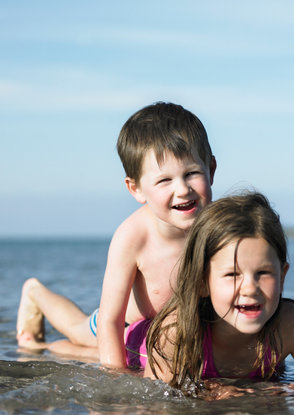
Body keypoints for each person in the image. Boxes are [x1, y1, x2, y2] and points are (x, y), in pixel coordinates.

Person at [16, 102, 217, 369]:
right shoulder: (133, 236)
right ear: (136, 189)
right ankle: (36, 297)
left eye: (192, 173)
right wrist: (116, 377)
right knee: (78, 332)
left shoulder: (220, 228)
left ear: (211, 170)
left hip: (166, 331)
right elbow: (110, 320)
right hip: (121, 323)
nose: (182, 189)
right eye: (164, 180)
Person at [124, 192, 294, 391]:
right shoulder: (175, 333)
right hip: (137, 343)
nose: (250, 288)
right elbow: (159, 403)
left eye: (263, 273)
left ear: (282, 276)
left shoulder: (289, 324)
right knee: (91, 340)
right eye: (233, 275)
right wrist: (214, 391)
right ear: (202, 282)